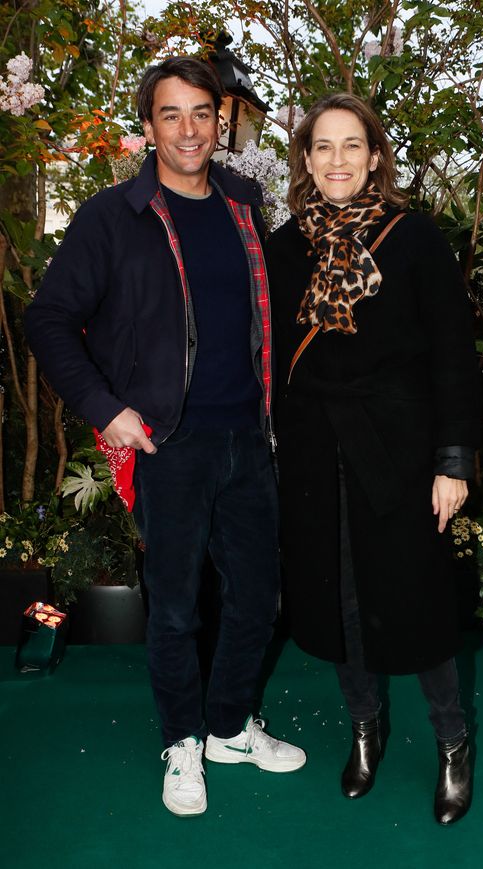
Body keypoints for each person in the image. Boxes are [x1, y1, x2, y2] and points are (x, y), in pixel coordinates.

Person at [25, 56, 305, 818]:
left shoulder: (247, 205)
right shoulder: (113, 215)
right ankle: (181, 739)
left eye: (202, 113)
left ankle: (227, 726)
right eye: (171, 115)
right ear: (148, 127)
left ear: (224, 121)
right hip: (166, 443)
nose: (188, 129)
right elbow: (48, 320)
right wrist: (105, 407)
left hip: (248, 435)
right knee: (176, 607)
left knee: (256, 599)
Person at [266, 93, 480, 825]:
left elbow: (454, 352)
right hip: (313, 452)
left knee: (418, 601)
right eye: (322, 146)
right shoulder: (283, 245)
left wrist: (452, 460)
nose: (336, 160)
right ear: (304, 159)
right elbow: (267, 358)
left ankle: (454, 739)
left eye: (351, 145)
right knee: (340, 601)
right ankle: (366, 725)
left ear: (376, 155)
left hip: (401, 449)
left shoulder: (414, 238)